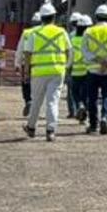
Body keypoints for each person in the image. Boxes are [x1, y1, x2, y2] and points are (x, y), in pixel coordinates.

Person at [22, 9, 71, 141]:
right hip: (57, 71)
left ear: (41, 18)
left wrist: (26, 71)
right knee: (52, 102)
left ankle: (31, 127)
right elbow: (68, 50)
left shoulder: (34, 33)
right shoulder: (61, 32)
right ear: (54, 17)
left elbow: (27, 53)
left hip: (38, 72)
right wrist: (66, 66)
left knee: (36, 101)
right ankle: (50, 131)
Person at [80, 4, 107, 135]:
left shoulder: (88, 31)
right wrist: (106, 64)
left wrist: (97, 61)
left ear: (96, 16)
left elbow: (85, 52)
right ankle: (104, 118)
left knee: (92, 98)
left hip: (92, 70)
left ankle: (93, 125)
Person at [64, 10, 90, 121]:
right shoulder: (89, 38)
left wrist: (67, 67)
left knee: (73, 93)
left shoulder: (71, 38)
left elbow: (68, 54)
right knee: (86, 93)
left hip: (74, 71)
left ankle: (75, 109)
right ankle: (83, 110)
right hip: (87, 70)